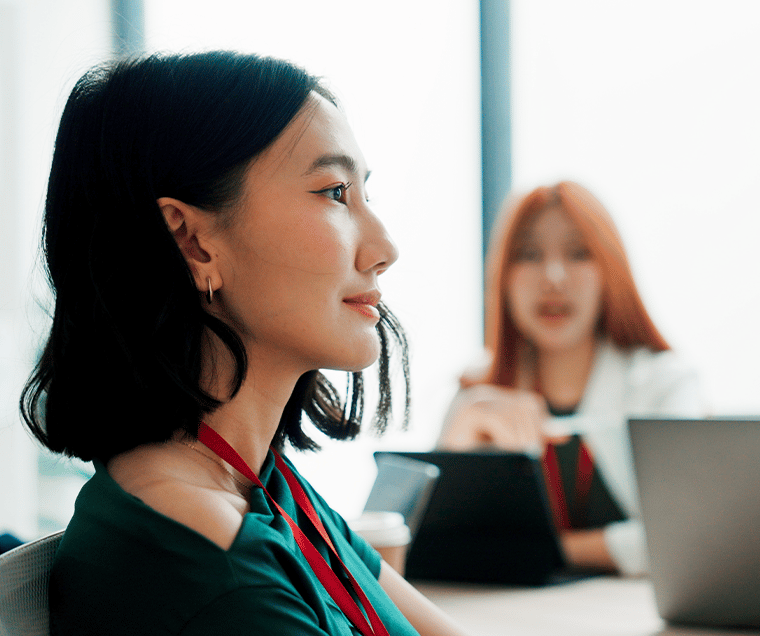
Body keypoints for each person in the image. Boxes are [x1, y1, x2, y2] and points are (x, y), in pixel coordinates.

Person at [20, 51, 468, 635]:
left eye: (364, 194)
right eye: (334, 192)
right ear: (192, 240)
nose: (384, 246)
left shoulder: (263, 489)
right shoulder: (214, 563)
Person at [437, 181, 705, 576]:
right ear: (503, 277)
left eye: (579, 253)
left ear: (610, 270)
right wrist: (452, 449)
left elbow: (688, 539)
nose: (554, 277)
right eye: (529, 254)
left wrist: (551, 550)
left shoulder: (664, 384)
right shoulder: (478, 396)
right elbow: (420, 551)